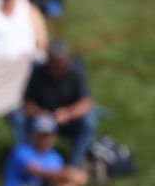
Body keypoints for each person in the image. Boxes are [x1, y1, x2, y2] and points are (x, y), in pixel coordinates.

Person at [10, 40, 97, 169]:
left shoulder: (75, 72)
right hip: (40, 120)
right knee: (18, 117)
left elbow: (86, 103)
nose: (60, 67)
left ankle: (74, 165)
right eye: (56, 63)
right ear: (49, 61)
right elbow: (26, 103)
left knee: (89, 122)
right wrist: (41, 114)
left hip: (66, 120)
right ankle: (27, 161)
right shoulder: (37, 73)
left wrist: (67, 114)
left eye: (63, 62)